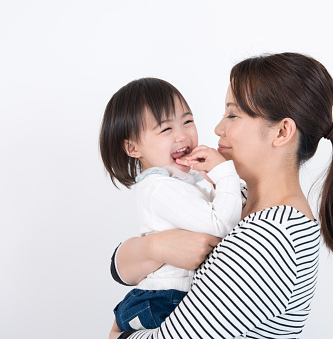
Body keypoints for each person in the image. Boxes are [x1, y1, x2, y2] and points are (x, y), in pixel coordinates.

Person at [110, 52, 333, 339]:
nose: (218, 128)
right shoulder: (241, 200)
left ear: (282, 132)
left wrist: (117, 333)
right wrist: (154, 247)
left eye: (233, 114)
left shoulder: (271, 238)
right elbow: (119, 269)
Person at [99, 78, 243, 334]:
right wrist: (225, 174)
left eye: (187, 121)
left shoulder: (185, 181)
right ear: (132, 147)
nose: (182, 135)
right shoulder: (159, 187)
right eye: (165, 129)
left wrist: (215, 180)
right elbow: (221, 224)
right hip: (164, 299)